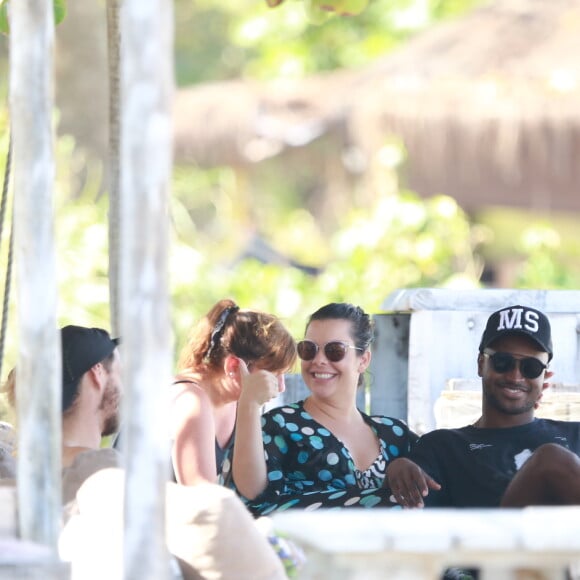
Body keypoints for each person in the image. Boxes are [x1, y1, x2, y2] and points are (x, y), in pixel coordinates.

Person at [223, 302, 418, 516]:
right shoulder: (280, 425)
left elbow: (440, 479)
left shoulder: (395, 434)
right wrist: (249, 405)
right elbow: (252, 493)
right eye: (309, 349)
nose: (319, 360)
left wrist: (403, 464)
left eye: (335, 351)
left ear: (363, 360)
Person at [387, 304, 580, 509]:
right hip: (493, 539)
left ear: (545, 376)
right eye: (502, 362)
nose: (515, 376)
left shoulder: (575, 434)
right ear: (481, 364)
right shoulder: (442, 447)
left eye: (531, 368)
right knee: (551, 458)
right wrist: (396, 467)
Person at [168, 298, 297, 485]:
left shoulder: (241, 402)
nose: (281, 387)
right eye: (272, 375)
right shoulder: (190, 401)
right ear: (234, 365)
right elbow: (202, 499)